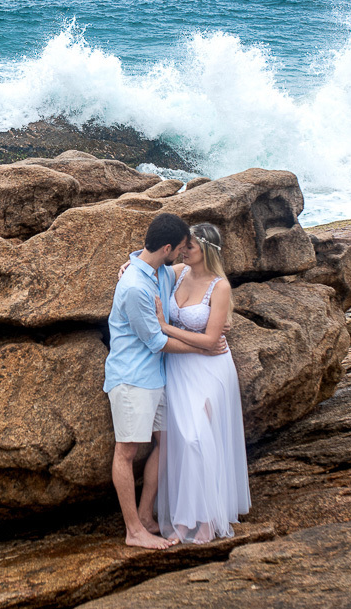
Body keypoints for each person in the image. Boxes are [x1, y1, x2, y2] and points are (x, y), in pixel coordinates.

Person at [104, 212, 227, 550]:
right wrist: (202, 348)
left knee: (168, 441)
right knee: (126, 452)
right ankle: (133, 531)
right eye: (181, 249)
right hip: (132, 378)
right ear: (168, 247)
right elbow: (156, 341)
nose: (184, 255)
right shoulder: (134, 288)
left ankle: (145, 514)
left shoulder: (157, 270)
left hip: (157, 375)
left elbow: (203, 276)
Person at [153, 222, 251, 543]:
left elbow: (211, 340)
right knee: (182, 442)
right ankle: (183, 520)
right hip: (179, 367)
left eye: (190, 245)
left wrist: (164, 327)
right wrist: (129, 263)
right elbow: (148, 266)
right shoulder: (178, 271)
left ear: (205, 249)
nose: (183, 249)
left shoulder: (219, 286)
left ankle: (209, 518)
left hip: (209, 369)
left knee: (199, 438)